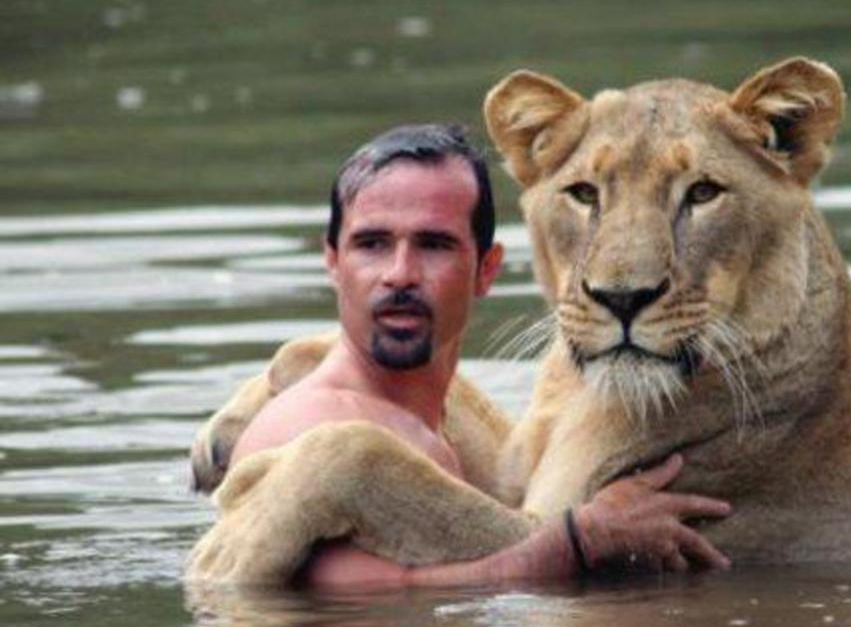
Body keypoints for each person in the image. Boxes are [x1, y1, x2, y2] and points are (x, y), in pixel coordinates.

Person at [229, 123, 731, 587]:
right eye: (372, 244)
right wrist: (582, 541)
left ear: (486, 270)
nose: (400, 273)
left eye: (433, 245)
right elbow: (359, 608)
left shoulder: (452, 431)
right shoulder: (305, 428)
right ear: (333, 263)